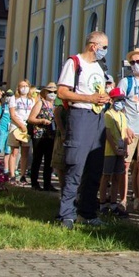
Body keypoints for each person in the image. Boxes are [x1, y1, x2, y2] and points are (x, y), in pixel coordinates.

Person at [56, 31, 111, 229]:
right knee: (75, 166)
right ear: (93, 46)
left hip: (97, 117)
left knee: (95, 167)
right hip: (79, 116)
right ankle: (66, 215)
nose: (105, 51)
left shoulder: (100, 66)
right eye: (104, 47)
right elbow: (62, 92)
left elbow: (100, 91)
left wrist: (105, 97)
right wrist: (89, 98)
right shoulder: (74, 62)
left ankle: (87, 213)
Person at [118, 48, 139, 214]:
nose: (135, 65)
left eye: (138, 61)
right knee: (124, 165)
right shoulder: (126, 82)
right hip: (130, 129)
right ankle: (123, 199)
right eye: (132, 62)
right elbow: (118, 106)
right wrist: (125, 127)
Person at [100, 87, 130, 217]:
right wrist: (115, 149)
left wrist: (125, 148)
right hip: (109, 151)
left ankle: (113, 202)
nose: (121, 102)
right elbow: (108, 134)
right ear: (112, 101)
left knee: (117, 177)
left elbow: (124, 134)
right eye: (118, 100)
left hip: (120, 150)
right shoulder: (108, 114)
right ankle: (102, 203)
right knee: (106, 176)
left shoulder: (123, 115)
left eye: (123, 100)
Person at [27, 82, 58, 191]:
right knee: (37, 159)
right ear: (45, 92)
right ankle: (34, 183)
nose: (52, 94)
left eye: (54, 92)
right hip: (39, 134)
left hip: (50, 135)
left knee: (49, 160)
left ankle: (47, 184)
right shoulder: (40, 103)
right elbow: (30, 118)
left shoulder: (55, 105)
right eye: (50, 91)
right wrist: (41, 120)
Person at [8, 79, 34, 184]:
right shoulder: (14, 99)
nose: (24, 88)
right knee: (14, 151)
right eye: (22, 86)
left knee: (25, 152)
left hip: (27, 127)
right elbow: (13, 114)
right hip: (16, 126)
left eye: (26, 86)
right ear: (18, 88)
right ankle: (12, 174)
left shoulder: (32, 100)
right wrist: (20, 125)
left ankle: (23, 175)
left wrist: (26, 126)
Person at [0, 90, 14, 171]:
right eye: (7, 96)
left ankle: (6, 169)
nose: (9, 98)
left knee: (8, 150)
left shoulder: (14, 107)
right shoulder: (1, 106)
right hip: (2, 129)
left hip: (10, 129)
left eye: (11, 96)